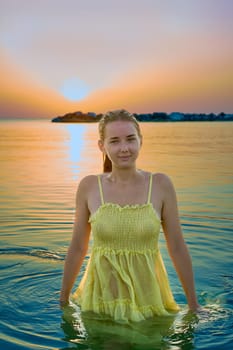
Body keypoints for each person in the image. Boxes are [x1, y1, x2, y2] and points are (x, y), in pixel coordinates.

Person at [60, 109, 200, 323]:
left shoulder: (161, 185)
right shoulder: (89, 186)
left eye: (130, 139)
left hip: (150, 299)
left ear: (140, 141)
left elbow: (177, 247)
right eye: (114, 141)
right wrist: (63, 300)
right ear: (102, 146)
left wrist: (194, 305)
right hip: (101, 299)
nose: (124, 148)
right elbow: (78, 246)